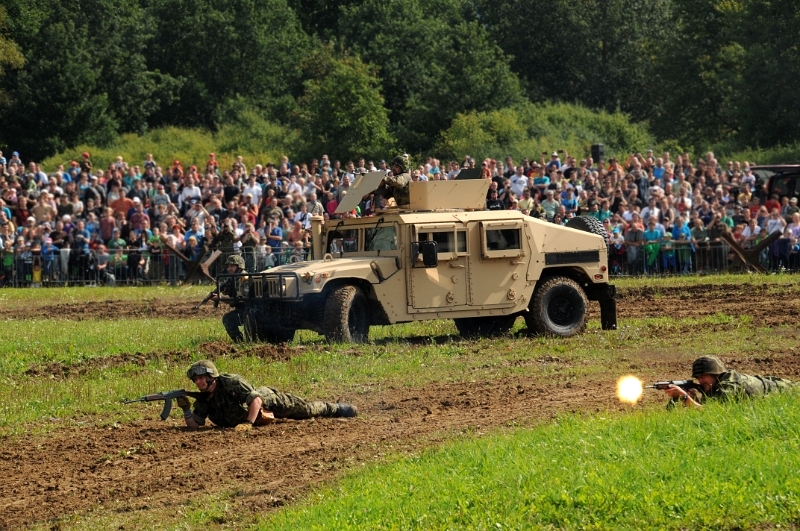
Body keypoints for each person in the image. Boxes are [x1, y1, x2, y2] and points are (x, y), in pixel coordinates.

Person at [176, 360, 358, 431]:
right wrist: (186, 410)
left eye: (201, 378)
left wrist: (247, 424)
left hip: (268, 402)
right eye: (196, 380)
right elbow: (194, 425)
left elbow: (256, 400)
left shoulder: (231, 382)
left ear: (211, 377)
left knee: (306, 410)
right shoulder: (204, 397)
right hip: (254, 417)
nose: (198, 383)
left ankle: (335, 408)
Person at [662, 356, 798, 408]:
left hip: (789, 391)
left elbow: (708, 413)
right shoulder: (715, 385)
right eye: (698, 377)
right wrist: (693, 398)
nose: (701, 380)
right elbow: (708, 407)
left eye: (704, 376)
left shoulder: (730, 386)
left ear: (716, 374)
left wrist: (685, 397)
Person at [209, 254, 250, 342]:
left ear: (239, 266)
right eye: (228, 266)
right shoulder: (234, 277)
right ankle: (240, 342)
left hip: (249, 310)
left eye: (232, 266)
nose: (229, 269)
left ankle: (242, 342)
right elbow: (232, 292)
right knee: (229, 318)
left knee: (228, 319)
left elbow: (239, 299)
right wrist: (226, 290)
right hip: (243, 310)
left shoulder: (244, 278)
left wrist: (221, 298)